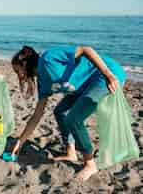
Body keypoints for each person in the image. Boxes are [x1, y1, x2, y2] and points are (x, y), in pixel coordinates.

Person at [11, 45, 126, 181]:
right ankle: (71, 152)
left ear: (25, 65)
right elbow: (37, 116)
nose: (19, 74)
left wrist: (108, 74)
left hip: (104, 76)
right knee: (60, 111)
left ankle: (90, 164)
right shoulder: (43, 83)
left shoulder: (48, 58)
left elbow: (86, 49)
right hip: (83, 86)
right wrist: (20, 141)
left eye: (17, 70)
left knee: (74, 119)